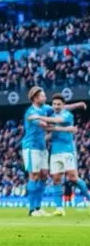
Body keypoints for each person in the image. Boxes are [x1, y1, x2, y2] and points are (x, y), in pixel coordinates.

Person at [23, 87, 84, 217]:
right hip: (31, 147)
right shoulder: (31, 112)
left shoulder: (44, 108)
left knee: (44, 175)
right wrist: (67, 128)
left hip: (42, 147)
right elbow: (45, 125)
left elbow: (62, 108)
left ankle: (38, 207)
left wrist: (78, 105)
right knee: (33, 175)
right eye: (42, 96)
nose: (45, 98)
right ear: (35, 98)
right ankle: (32, 209)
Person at [45, 94, 88, 216]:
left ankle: (89, 198)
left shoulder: (67, 115)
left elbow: (57, 122)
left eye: (59, 104)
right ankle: (59, 208)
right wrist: (43, 139)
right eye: (54, 104)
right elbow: (52, 133)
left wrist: (40, 119)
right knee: (56, 179)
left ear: (63, 105)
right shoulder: (52, 114)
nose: (56, 106)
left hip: (67, 150)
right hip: (55, 152)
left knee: (73, 178)